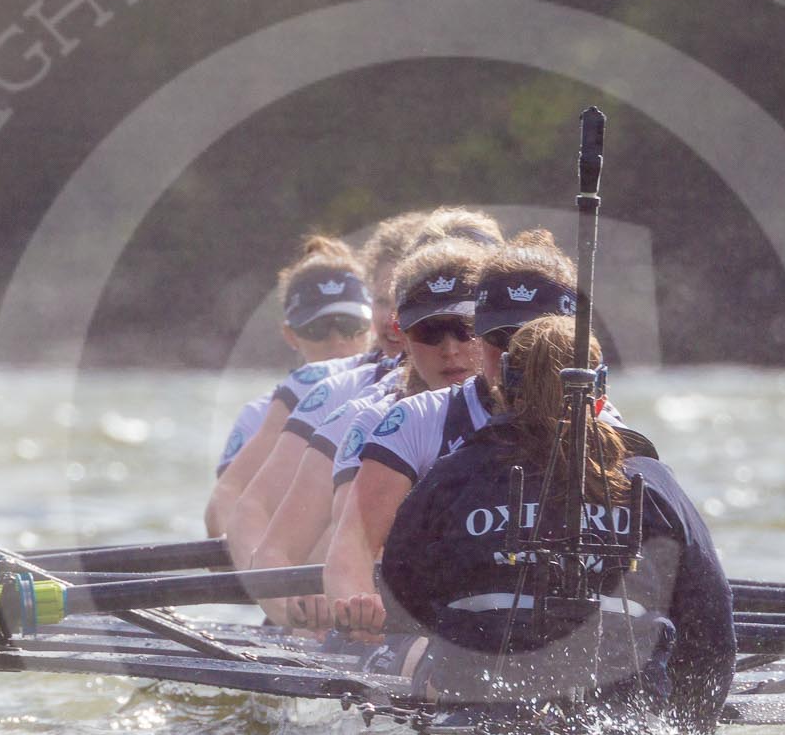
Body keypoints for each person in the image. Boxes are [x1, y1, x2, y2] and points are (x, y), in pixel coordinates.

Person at [377, 317, 734, 735]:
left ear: (504, 385)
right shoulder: (654, 485)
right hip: (626, 733)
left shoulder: (451, 476)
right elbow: (711, 623)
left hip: (475, 726)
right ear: (601, 394)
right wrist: (689, 734)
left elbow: (400, 593)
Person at [317, 230, 650, 633]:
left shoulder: (609, 428)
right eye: (502, 340)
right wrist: (358, 606)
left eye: (532, 340)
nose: (520, 358)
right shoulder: (416, 421)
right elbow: (350, 549)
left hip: (573, 630)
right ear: (482, 339)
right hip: (445, 633)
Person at [224, 210, 504, 578]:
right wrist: (302, 603)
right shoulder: (359, 407)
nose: (450, 347)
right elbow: (251, 516)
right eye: (431, 325)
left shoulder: (560, 403)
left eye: (464, 324)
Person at [205, 221, 415, 536]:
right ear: (291, 335)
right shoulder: (257, 418)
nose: (337, 342)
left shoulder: (406, 395)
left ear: (371, 323)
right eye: (318, 329)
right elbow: (224, 509)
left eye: (348, 326)